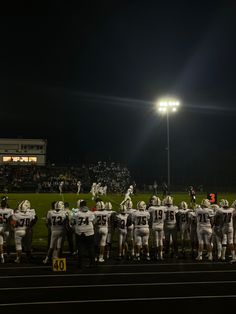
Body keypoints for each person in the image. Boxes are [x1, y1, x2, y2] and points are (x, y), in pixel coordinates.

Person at [71, 200, 95, 268]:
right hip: (89, 231)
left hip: (79, 232)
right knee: (91, 248)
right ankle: (92, 263)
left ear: (80, 205)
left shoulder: (76, 213)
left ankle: (80, 264)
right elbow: (94, 222)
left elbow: (72, 222)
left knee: (80, 248)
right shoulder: (91, 213)